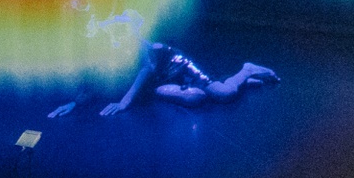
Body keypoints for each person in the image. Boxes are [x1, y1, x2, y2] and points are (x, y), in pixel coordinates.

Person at [49, 43, 281, 119]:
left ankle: (245, 72)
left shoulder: (118, 36)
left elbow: (146, 68)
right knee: (195, 99)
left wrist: (124, 104)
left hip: (172, 63)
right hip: (155, 82)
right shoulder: (91, 54)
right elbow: (91, 83)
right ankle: (234, 84)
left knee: (223, 95)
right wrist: (74, 103)